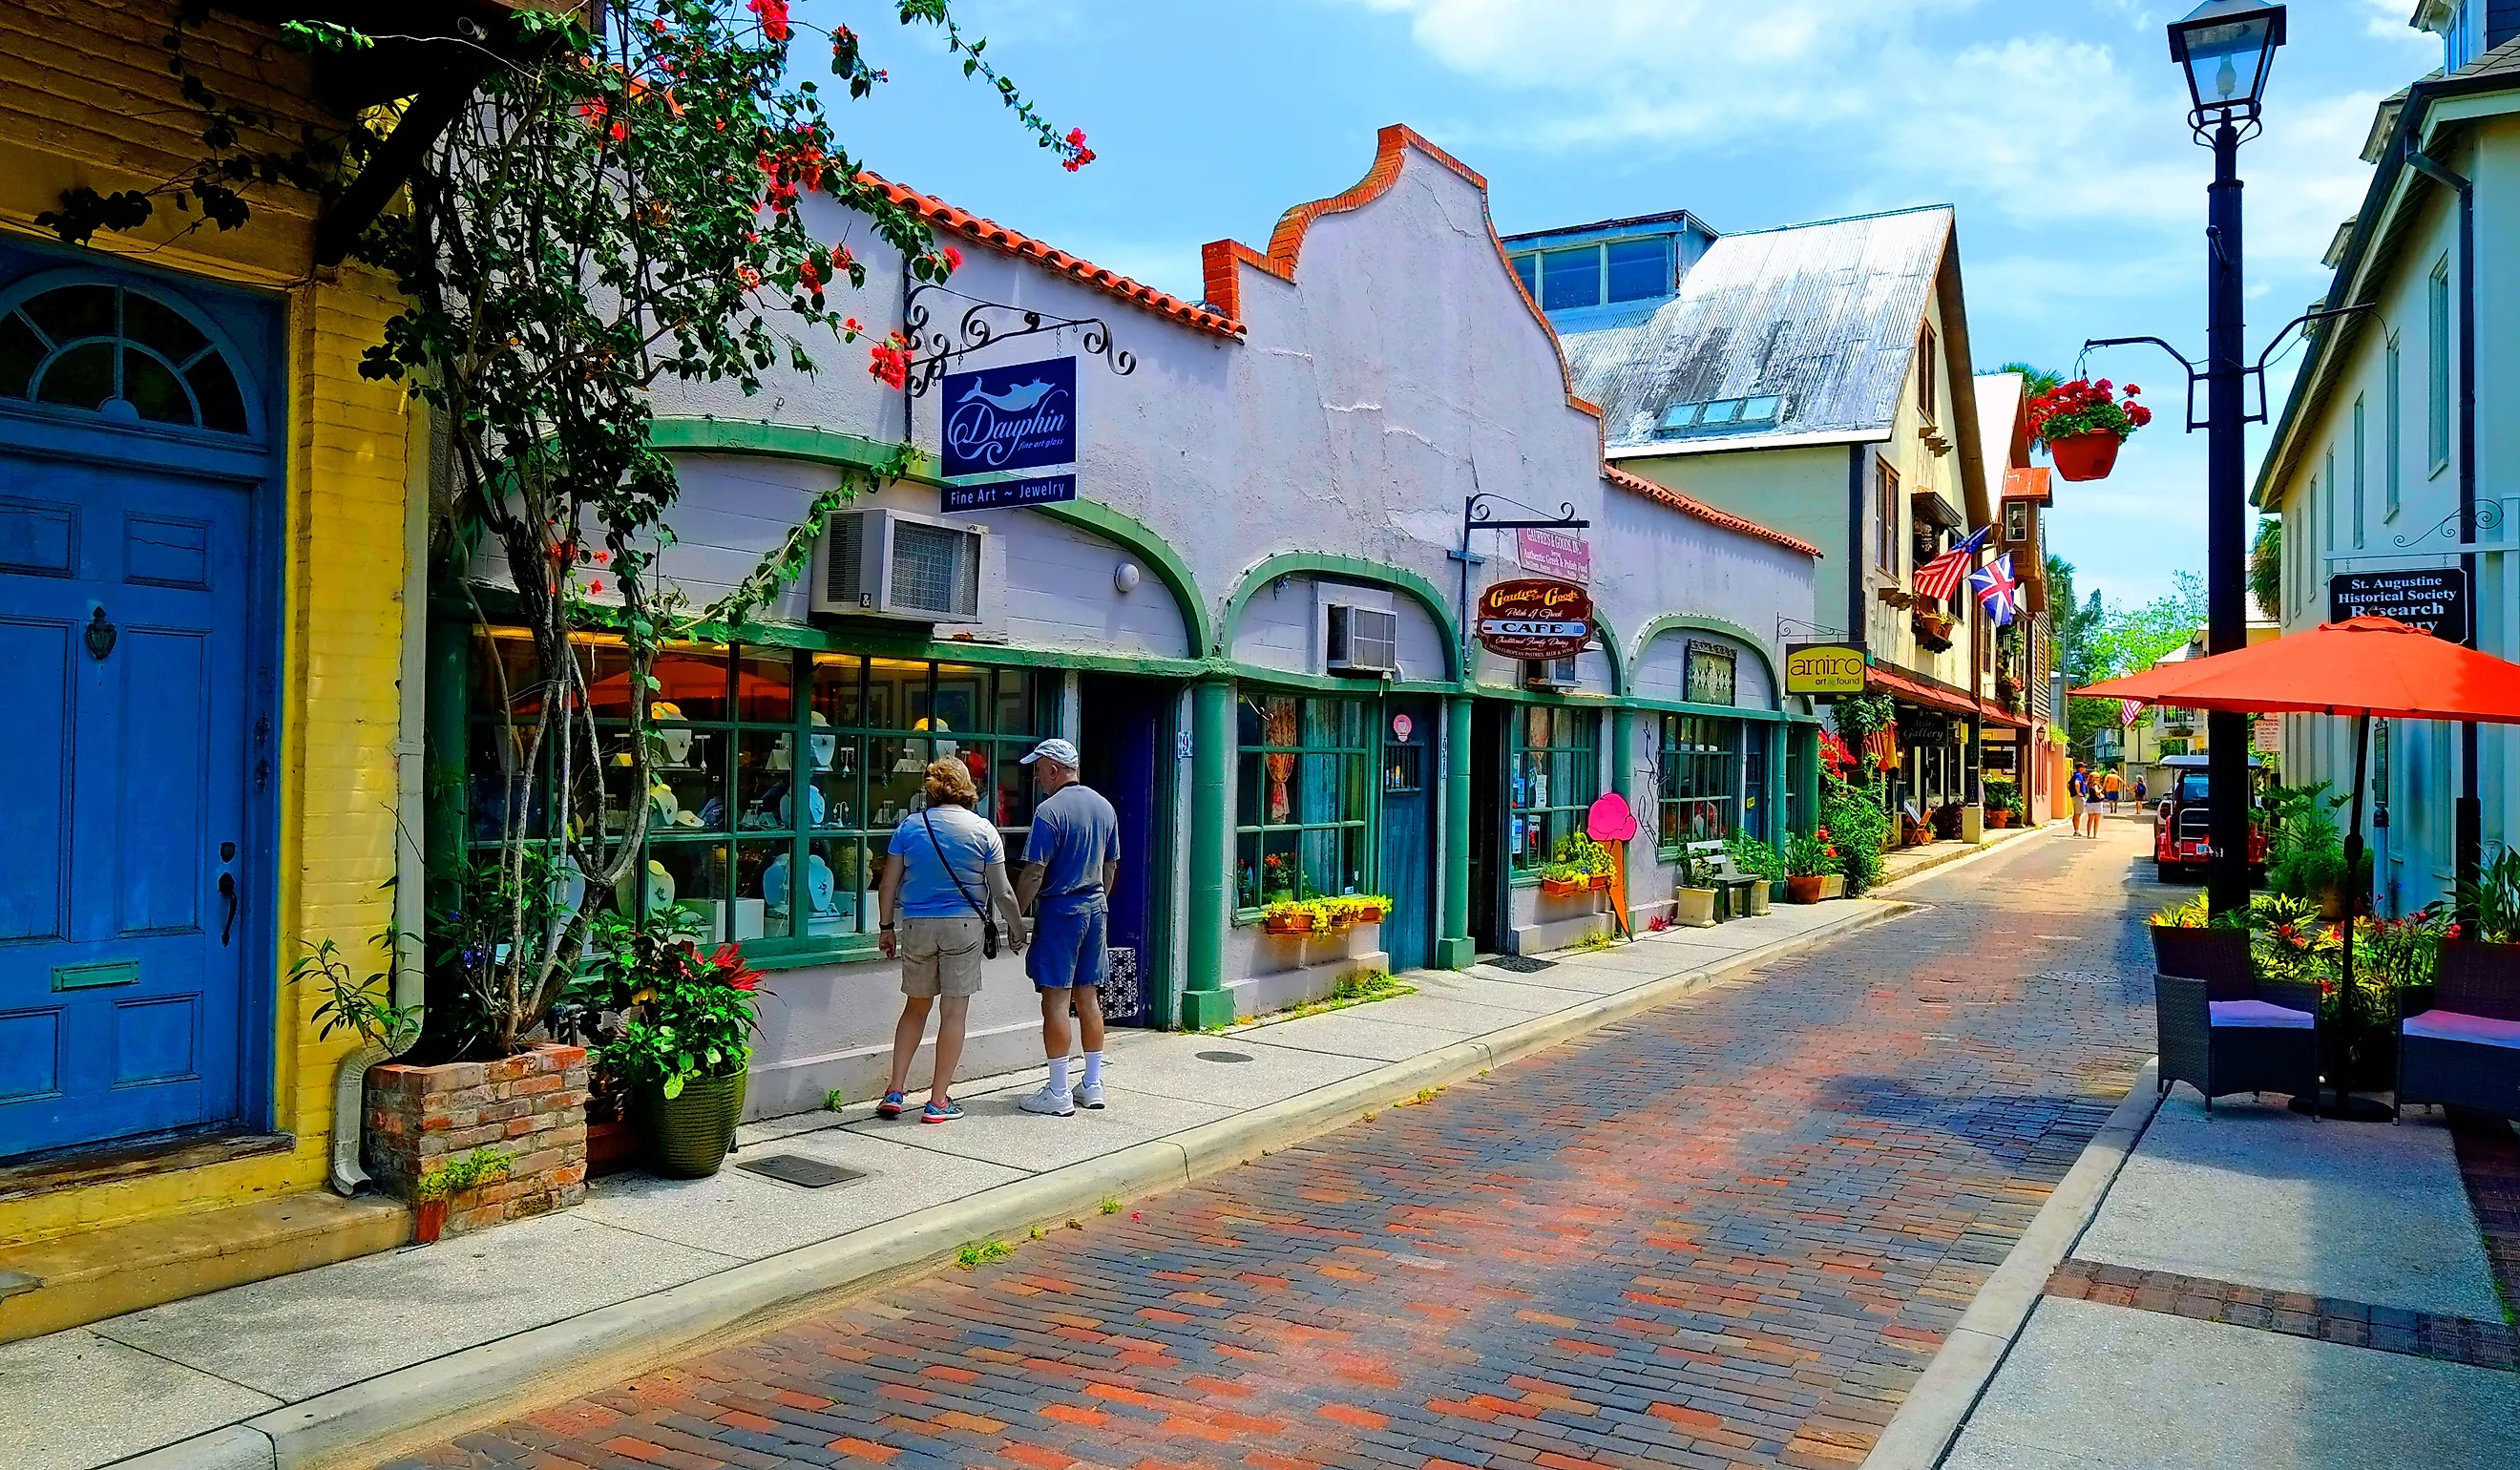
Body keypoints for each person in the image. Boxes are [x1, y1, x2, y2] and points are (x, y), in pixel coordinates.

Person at [873, 760, 1028, 1124]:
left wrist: (885, 927)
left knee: (915, 1008)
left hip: (917, 924)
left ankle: (895, 1090)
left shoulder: (910, 828)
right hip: (963, 925)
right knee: (953, 1013)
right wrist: (1016, 927)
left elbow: (887, 885)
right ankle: (938, 1101)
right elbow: (1002, 890)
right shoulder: (983, 830)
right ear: (967, 787)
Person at [1011, 738, 1121, 1116]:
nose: (1037, 776)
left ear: (1054, 769)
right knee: (1088, 997)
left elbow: (1034, 872)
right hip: (1095, 907)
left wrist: (1014, 917)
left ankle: (1058, 1090)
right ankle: (1092, 1083)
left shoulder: (1049, 811)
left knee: (1055, 1000)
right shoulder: (1104, 807)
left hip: (1061, 910)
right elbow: (1110, 868)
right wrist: (1099, 900)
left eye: (1039, 769)